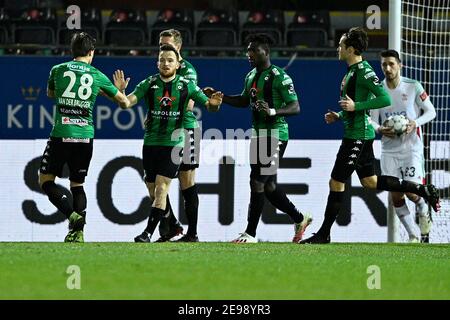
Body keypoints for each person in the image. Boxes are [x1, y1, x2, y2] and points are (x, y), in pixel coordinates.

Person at [299, 27, 440, 244]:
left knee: (336, 182)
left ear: (351, 49)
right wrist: (339, 115)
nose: (338, 48)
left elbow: (384, 99)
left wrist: (356, 106)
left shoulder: (364, 72)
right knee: (370, 181)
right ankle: (421, 189)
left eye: (341, 45)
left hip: (357, 136)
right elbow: (357, 107)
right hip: (356, 133)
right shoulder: (351, 72)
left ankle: (324, 234)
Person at [204, 33, 312, 243]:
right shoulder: (250, 76)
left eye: (254, 50)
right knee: (268, 186)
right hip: (258, 134)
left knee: (257, 181)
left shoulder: (280, 77)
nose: (249, 54)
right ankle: (300, 218)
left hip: (276, 134)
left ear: (266, 52)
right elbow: (244, 101)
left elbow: (295, 107)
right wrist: (222, 97)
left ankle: (250, 233)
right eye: (248, 50)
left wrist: (272, 111)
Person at [113, 45, 223, 243]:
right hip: (150, 143)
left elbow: (208, 106)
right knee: (151, 188)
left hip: (174, 143)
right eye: (162, 60)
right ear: (157, 62)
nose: (165, 64)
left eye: (170, 60)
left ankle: (147, 233)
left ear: (178, 64)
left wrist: (214, 104)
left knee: (162, 188)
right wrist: (120, 93)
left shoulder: (186, 85)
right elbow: (126, 104)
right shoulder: (150, 83)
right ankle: (172, 225)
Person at [39, 32, 130, 243]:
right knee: (77, 185)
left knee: (45, 181)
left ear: (72, 51)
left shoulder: (58, 70)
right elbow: (124, 103)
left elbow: (51, 94)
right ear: (92, 53)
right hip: (85, 137)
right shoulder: (97, 75)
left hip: (62, 134)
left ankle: (72, 216)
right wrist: (117, 91)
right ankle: (78, 232)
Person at [371, 49, 436, 243]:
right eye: (384, 65)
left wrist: (415, 123)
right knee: (396, 196)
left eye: (391, 64)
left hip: (411, 148)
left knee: (411, 191)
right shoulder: (378, 91)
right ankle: (413, 235)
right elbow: (372, 121)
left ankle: (424, 208)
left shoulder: (412, 86)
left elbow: (431, 112)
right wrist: (380, 129)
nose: (388, 68)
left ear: (400, 65)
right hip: (389, 150)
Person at [152, 29, 203, 242]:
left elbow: (189, 104)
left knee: (187, 182)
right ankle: (172, 224)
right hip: (162, 132)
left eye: (168, 45)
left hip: (186, 129)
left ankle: (192, 234)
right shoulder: (163, 70)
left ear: (178, 47)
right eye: (161, 45)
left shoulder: (188, 71)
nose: (164, 49)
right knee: (155, 183)